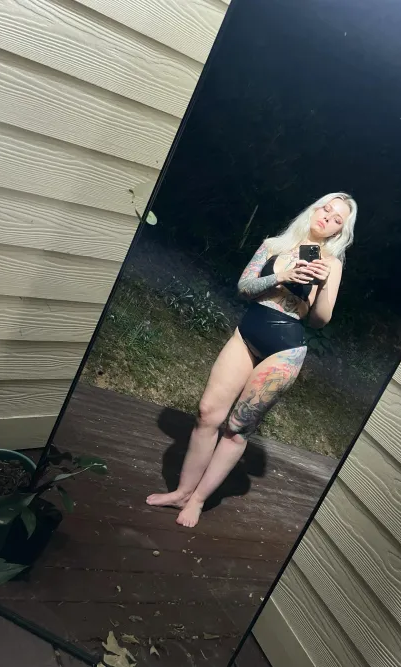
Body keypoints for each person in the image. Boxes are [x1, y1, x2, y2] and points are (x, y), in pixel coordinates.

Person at [146, 192, 357, 527]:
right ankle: (182, 492)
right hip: (246, 334)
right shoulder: (274, 245)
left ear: (339, 231)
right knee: (207, 413)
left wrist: (322, 284)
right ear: (314, 208)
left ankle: (197, 501)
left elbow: (319, 320)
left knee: (237, 428)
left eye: (336, 220)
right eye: (326, 209)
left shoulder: (330, 263)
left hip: (285, 349)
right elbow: (244, 287)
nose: (327, 218)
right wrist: (282, 277)